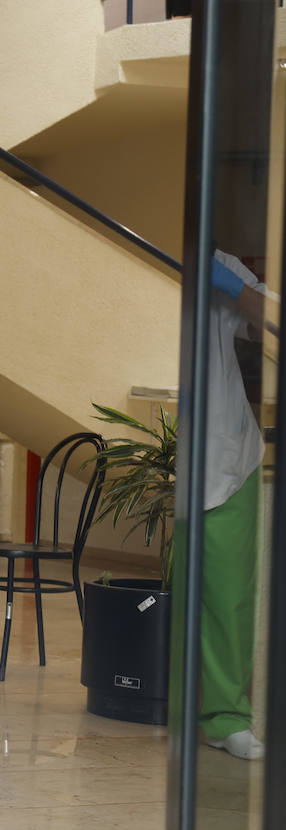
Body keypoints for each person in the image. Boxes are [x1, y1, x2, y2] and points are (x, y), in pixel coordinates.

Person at [194, 249, 272, 759]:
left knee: (228, 599)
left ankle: (226, 719)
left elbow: (271, 322)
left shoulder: (216, 263)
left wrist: (230, 285)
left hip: (226, 460)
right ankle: (174, 703)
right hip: (177, 454)